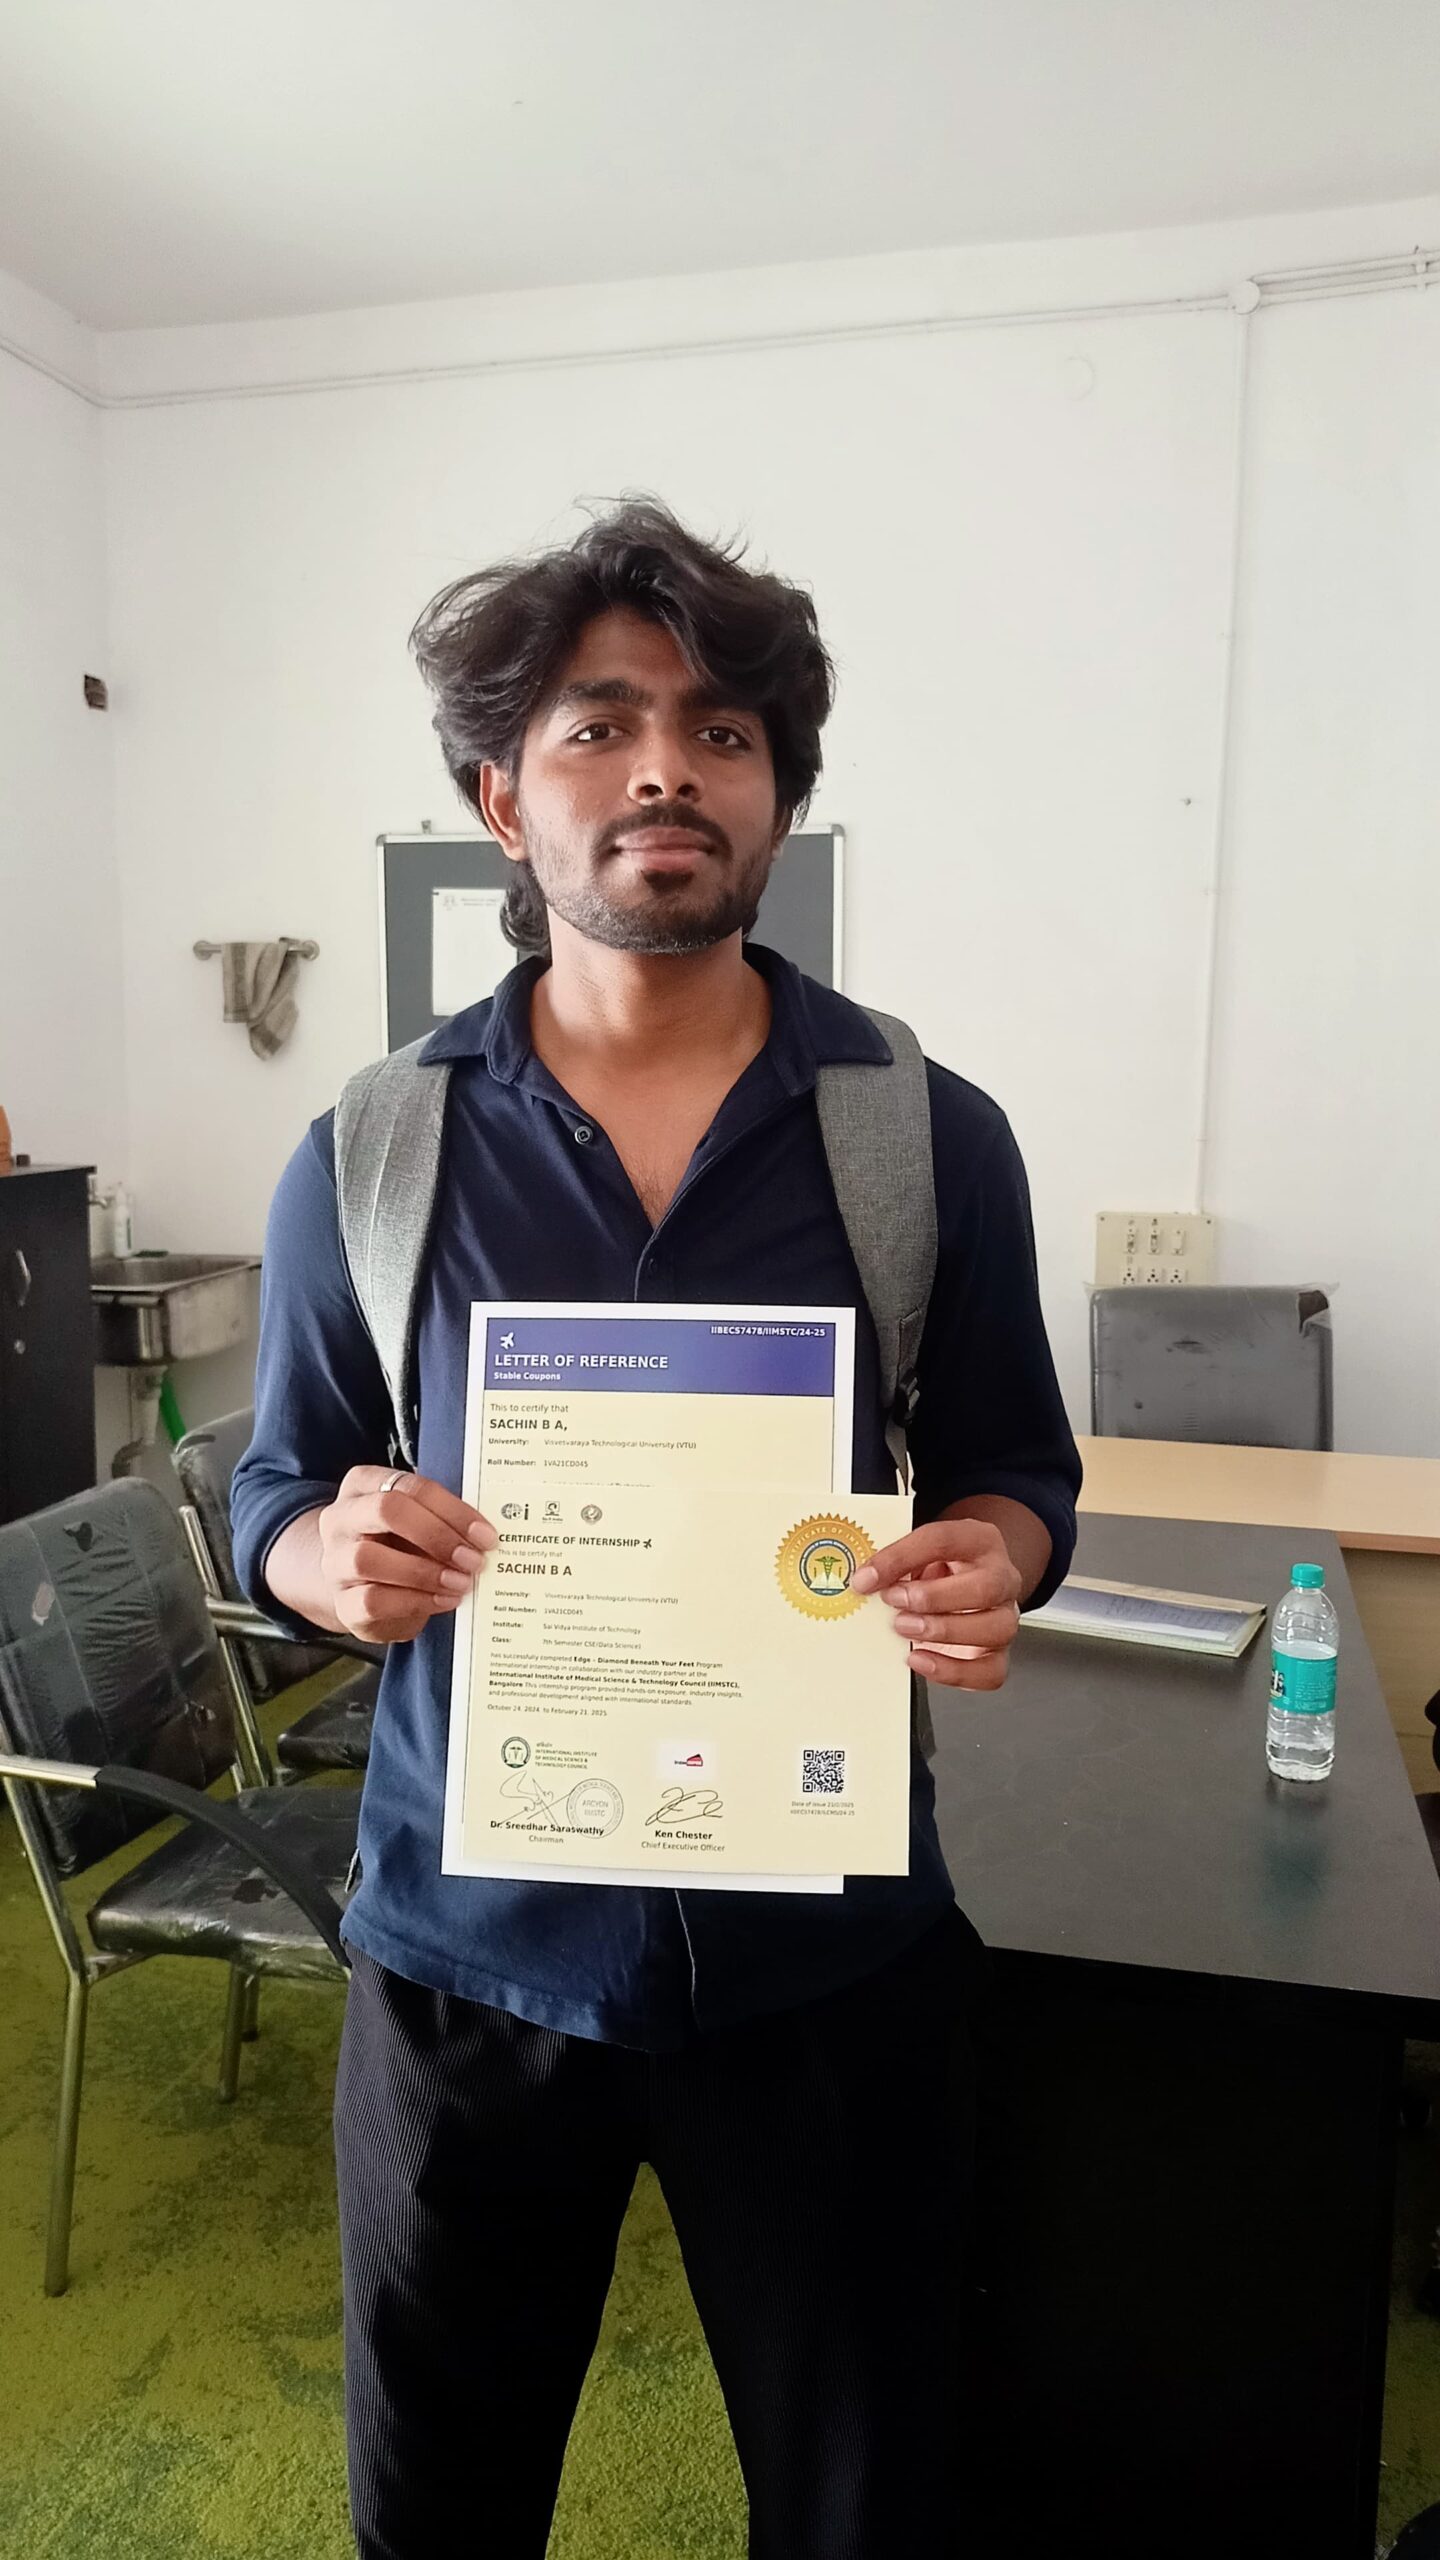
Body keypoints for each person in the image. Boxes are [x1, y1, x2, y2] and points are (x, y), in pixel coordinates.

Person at [231, 497, 1082, 2559]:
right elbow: (281, 1480)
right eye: (599, 726)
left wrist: (995, 1556)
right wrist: (323, 1559)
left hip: (827, 1952)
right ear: (499, 798)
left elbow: (1016, 1467)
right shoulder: (373, 1150)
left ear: (778, 795)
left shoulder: (920, 1130)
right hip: (470, 1953)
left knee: (867, 2496)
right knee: (438, 2501)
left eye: (721, 731)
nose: (663, 772)